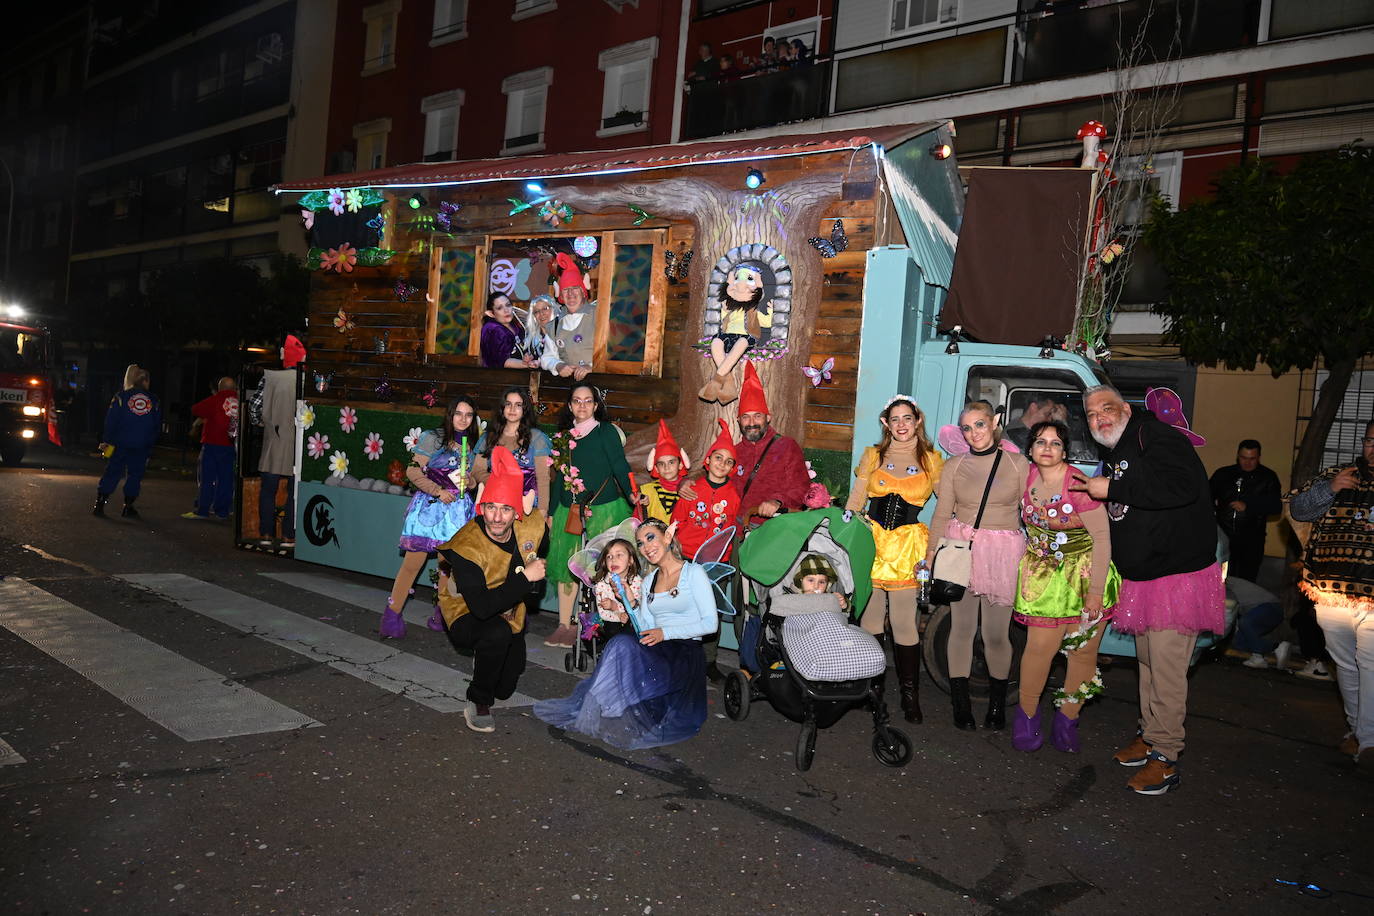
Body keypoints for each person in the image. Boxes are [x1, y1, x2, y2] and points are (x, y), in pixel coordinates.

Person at [1072, 384, 1225, 795]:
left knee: (1169, 671)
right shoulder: (1120, 449)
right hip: (1145, 579)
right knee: (1149, 666)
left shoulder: (1156, 435)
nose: (1098, 418)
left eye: (1106, 409)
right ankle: (1150, 735)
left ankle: (1167, 757)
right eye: (1090, 414)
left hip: (1175, 579)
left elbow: (1182, 488)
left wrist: (1113, 489)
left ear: (1125, 409)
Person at [534, 519, 714, 749]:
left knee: (643, 717)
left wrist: (665, 632)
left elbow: (710, 624)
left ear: (668, 537)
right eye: (640, 543)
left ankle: (624, 700)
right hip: (656, 646)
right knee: (620, 642)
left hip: (683, 653)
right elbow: (644, 625)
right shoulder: (649, 581)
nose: (646, 546)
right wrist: (629, 603)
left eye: (651, 538)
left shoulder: (693, 573)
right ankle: (610, 701)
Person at [679, 363, 811, 679]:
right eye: (746, 418)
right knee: (733, 599)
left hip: (774, 536)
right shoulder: (734, 452)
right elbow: (715, 473)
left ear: (768, 418)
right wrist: (688, 481)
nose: (751, 423)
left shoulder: (785, 447)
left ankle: (765, 662)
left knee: (769, 601)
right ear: (740, 422)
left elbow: (801, 487)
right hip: (735, 537)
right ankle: (722, 661)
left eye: (757, 417)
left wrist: (777, 501)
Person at [1011, 419, 1119, 753]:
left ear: (1064, 451)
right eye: (1040, 441)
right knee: (1038, 652)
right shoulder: (1024, 477)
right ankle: (1026, 719)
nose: (1047, 448)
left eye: (1055, 443)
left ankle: (1067, 720)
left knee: (1083, 654)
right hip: (1043, 580)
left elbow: (1102, 538)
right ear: (1030, 449)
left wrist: (1096, 593)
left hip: (1086, 576)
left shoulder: (1078, 484)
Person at [925, 400, 1029, 732]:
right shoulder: (955, 465)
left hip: (1002, 554)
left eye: (979, 425)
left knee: (996, 634)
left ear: (995, 422)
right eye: (967, 428)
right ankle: (961, 705)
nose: (974, 434)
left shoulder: (1018, 464)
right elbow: (942, 514)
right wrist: (930, 560)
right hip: (960, 550)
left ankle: (997, 707)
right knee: (961, 629)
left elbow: (1034, 509)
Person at [844, 395, 943, 724]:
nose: (901, 424)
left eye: (907, 418)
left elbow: (947, 502)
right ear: (886, 423)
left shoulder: (931, 459)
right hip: (872, 543)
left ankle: (910, 696)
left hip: (907, 548)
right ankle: (873, 691)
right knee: (871, 622)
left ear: (917, 420)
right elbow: (857, 497)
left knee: (904, 624)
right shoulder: (873, 455)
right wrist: (845, 530)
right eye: (895, 419)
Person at [436, 447, 548, 733]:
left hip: (509, 608)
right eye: (491, 508)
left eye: (505, 509)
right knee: (494, 633)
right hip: (466, 610)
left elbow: (538, 548)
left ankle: (492, 661)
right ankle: (477, 701)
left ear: (516, 513)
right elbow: (482, 608)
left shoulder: (532, 526)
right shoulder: (466, 547)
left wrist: (533, 572)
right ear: (481, 507)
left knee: (507, 687)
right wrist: (526, 580)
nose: (497, 518)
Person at [1289, 419, 1374, 766]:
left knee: (1369, 664)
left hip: (1372, 594)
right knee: (1345, 665)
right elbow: (1298, 510)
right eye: (1370, 440)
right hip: (1330, 590)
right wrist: (1331, 489)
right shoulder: (1340, 474)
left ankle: (1368, 741)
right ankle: (1357, 732)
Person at [544, 384, 636, 648]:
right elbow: (557, 479)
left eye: (588, 401)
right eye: (577, 401)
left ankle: (599, 623)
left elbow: (620, 465)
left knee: (603, 568)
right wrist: (551, 513)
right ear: (570, 405)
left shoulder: (606, 432)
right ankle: (564, 624)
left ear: (596, 405)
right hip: (568, 509)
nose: (582, 406)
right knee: (567, 564)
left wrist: (632, 493)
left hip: (604, 508)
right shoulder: (562, 437)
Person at [381, 396, 480, 638]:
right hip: (430, 507)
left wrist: (471, 481)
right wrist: (437, 490)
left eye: (468, 415)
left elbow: (476, 478)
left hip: (458, 511)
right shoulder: (432, 438)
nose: (463, 419)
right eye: (458, 413)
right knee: (412, 564)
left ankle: (441, 615)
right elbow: (412, 471)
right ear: (450, 414)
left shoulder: (475, 444)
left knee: (448, 566)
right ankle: (391, 617)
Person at [699, 261, 774, 405]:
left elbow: (766, 323)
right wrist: (724, 310)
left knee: (741, 343)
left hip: (747, 337)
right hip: (728, 335)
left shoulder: (752, 310)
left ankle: (716, 382)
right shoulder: (731, 308)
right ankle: (729, 385)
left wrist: (770, 311)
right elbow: (722, 320)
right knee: (716, 341)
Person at [254, 336, 305, 545]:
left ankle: (266, 534)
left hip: (274, 442)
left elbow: (255, 410)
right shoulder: (306, 380)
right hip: (298, 445)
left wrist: (264, 423)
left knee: (268, 490)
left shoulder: (270, 378)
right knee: (293, 492)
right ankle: (288, 535)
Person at [1209, 439, 1282, 583]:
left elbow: (1276, 507)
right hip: (1223, 537)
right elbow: (1206, 496)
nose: (1247, 462)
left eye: (1252, 459)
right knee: (1220, 579)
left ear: (1259, 457)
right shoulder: (1223, 474)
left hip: (1252, 539)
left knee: (1247, 580)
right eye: (1243, 458)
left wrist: (1249, 507)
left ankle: (1244, 605)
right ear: (1237, 455)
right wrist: (1215, 507)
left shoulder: (1268, 477)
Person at [94, 364, 161, 519]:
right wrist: (150, 444)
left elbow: (111, 421)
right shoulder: (154, 400)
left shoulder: (121, 397)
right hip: (141, 445)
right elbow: (156, 426)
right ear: (146, 381)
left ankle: (100, 503)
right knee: (135, 475)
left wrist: (107, 440)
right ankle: (128, 506)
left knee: (113, 472)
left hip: (120, 443)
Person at [473, 386, 552, 514]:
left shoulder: (537, 438)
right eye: (508, 404)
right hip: (496, 502)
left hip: (528, 505)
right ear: (502, 408)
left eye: (518, 405)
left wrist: (543, 511)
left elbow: (543, 477)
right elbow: (477, 470)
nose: (512, 409)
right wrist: (498, 482)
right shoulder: (489, 437)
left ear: (525, 409)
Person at [671, 419, 741, 562]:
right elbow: (676, 521)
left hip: (717, 558)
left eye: (728, 462)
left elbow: (733, 526)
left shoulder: (734, 495)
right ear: (708, 460)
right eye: (718, 458)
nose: (722, 464)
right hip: (687, 555)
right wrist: (678, 546)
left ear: (732, 468)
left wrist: (726, 551)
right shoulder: (691, 490)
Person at [183, 377, 238, 521]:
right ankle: (222, 512)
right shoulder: (241, 400)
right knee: (226, 480)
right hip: (231, 446)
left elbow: (195, 409)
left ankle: (203, 510)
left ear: (220, 388)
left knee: (207, 479)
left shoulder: (215, 399)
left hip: (212, 445)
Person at [538, 254, 596, 380]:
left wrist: (592, 367)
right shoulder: (554, 326)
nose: (570, 294)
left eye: (575, 288)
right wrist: (558, 365)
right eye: (565, 290)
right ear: (561, 296)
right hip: (570, 387)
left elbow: (614, 352)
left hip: (602, 383)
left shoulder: (599, 316)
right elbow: (547, 357)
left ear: (583, 292)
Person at [589, 538, 642, 640]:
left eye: (619, 555)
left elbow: (640, 608)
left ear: (630, 560)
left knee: (632, 628)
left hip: (634, 621)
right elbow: (603, 613)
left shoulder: (637, 581)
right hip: (612, 621)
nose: (613, 559)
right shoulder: (602, 584)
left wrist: (617, 608)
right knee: (613, 629)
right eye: (609, 556)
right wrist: (618, 613)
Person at [640, 419, 689, 523]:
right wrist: (642, 507)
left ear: (680, 465)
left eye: (671, 462)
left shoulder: (689, 490)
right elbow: (638, 521)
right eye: (661, 464)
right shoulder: (647, 492)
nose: (666, 467)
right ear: (656, 468)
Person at [478, 291, 538, 370]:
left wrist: (529, 357)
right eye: (499, 308)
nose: (506, 310)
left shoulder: (516, 326)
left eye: (508, 305)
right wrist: (525, 364)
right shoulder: (493, 330)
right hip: (500, 379)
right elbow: (502, 361)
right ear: (491, 313)